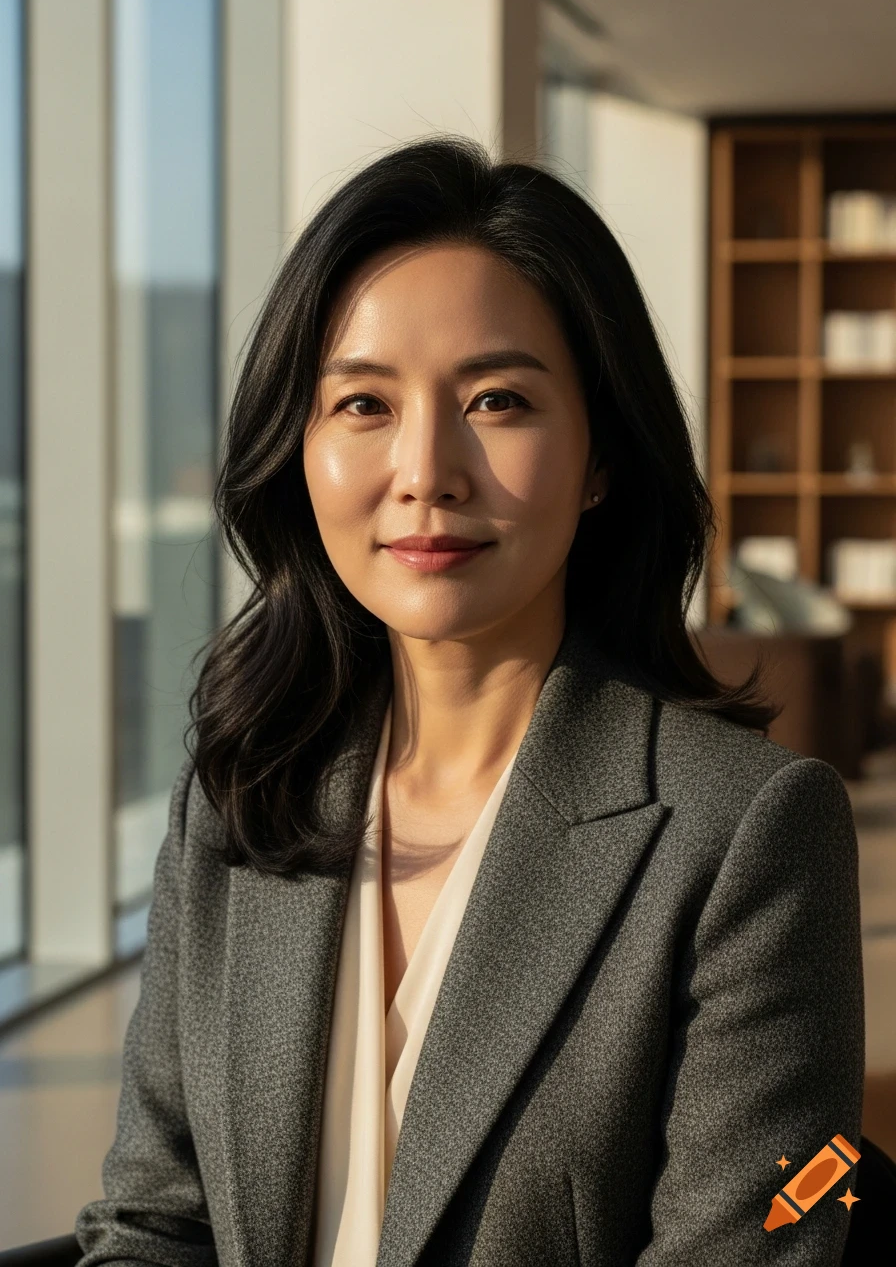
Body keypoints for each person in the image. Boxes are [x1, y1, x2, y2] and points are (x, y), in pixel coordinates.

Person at [74, 135, 864, 1266]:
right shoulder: (241, 799)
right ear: (296, 449)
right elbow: (152, 1221)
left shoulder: (744, 832)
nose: (425, 469)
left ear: (598, 455)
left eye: (496, 399)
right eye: (361, 404)